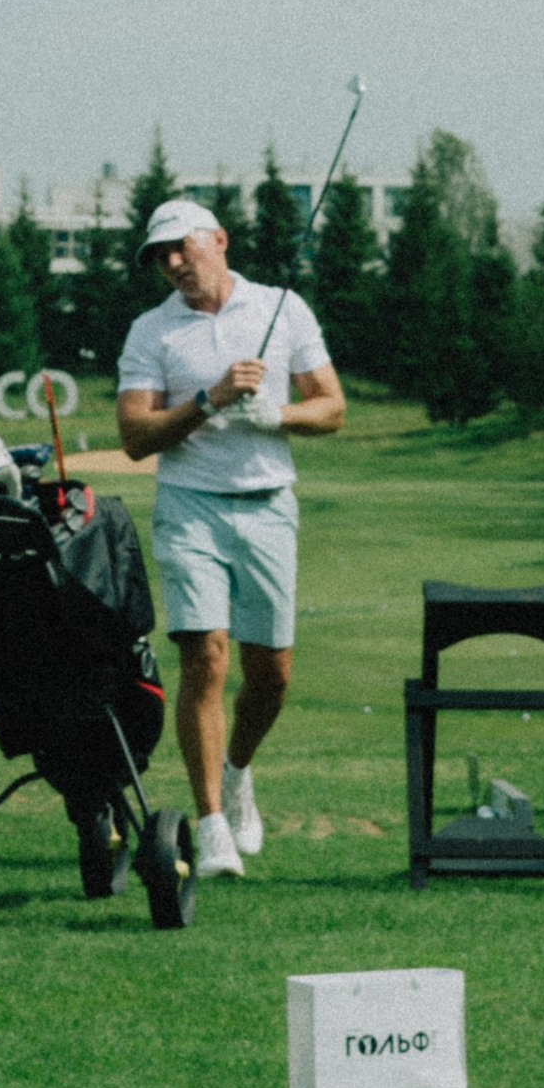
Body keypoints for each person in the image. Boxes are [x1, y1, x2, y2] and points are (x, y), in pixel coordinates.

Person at [115, 196, 344, 877]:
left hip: (269, 504)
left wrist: (277, 416)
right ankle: (211, 823)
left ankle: (238, 771)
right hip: (190, 507)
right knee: (206, 657)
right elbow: (134, 436)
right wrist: (207, 402)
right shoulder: (151, 332)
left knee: (271, 674)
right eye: (162, 256)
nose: (175, 264)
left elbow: (331, 407)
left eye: (183, 247)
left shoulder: (283, 308)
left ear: (220, 238)